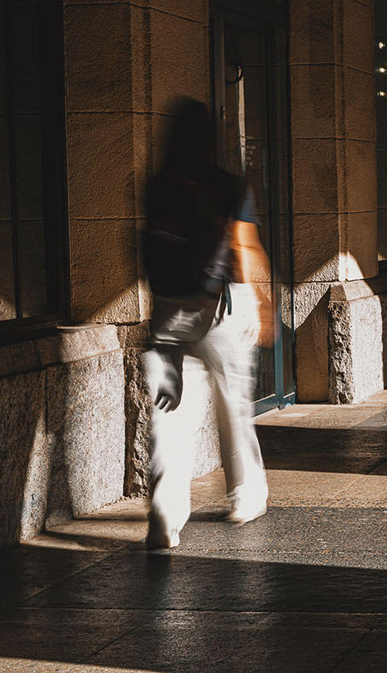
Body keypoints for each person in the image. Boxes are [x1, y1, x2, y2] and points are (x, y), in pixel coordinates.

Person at [141, 99, 275, 549]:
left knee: (169, 418)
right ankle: (246, 494)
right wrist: (264, 297)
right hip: (220, 305)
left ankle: (164, 512)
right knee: (234, 406)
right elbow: (244, 245)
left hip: (167, 310)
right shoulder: (228, 185)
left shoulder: (157, 186)